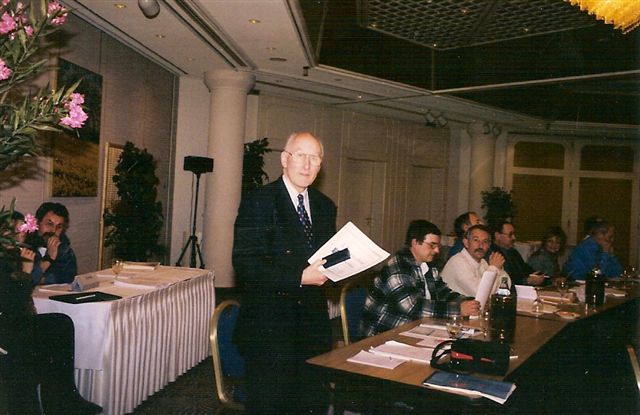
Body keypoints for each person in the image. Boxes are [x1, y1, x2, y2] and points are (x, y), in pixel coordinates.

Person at [232, 131, 336, 414]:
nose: (307, 164)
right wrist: (298, 277)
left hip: (312, 331)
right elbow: (245, 264)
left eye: (314, 158)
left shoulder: (325, 206)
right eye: (300, 155)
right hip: (270, 332)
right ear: (284, 159)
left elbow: (324, 259)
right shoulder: (259, 201)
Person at [0, 258, 101, 414]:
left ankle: (64, 398)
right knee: (26, 353)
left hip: (9, 325)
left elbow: (13, 301)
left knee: (61, 323)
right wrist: (26, 273)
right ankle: (49, 404)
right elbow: (12, 299)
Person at [360, 220, 479, 337]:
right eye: (432, 245)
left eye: (438, 246)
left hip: (412, 329)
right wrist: (458, 309)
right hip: (381, 335)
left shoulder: (428, 266)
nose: (437, 250)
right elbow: (413, 307)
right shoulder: (398, 267)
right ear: (415, 243)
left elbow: (443, 292)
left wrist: (468, 302)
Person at [441, 224, 510, 298]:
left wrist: (498, 269)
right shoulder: (457, 262)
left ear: (489, 246)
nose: (481, 245)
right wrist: (494, 268)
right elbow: (480, 294)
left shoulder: (483, 262)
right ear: (466, 243)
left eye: (485, 241)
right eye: (476, 240)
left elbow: (506, 286)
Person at [26, 202, 77, 285]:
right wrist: (49, 258)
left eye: (59, 227)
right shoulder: (25, 246)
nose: (53, 230)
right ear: (38, 223)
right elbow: (26, 282)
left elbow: (69, 279)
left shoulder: (64, 249)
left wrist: (44, 279)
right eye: (49, 224)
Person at [489, 221, 545, 286]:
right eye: (510, 235)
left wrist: (538, 275)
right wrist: (527, 281)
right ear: (497, 236)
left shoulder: (513, 251)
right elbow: (504, 280)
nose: (514, 238)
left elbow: (525, 269)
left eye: (514, 234)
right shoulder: (493, 254)